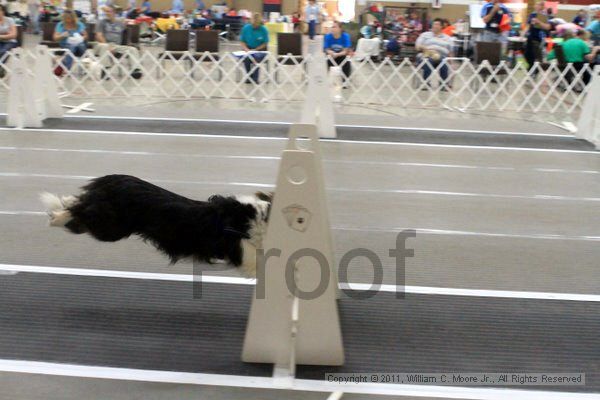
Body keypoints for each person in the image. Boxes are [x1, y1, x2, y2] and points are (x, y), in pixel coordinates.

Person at [95, 5, 140, 74]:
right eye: (106, 12)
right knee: (104, 46)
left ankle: (135, 70)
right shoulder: (101, 22)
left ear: (114, 12)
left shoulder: (120, 23)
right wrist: (108, 46)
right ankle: (105, 70)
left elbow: (130, 25)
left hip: (116, 46)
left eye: (109, 11)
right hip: (102, 45)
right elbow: (99, 35)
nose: (107, 13)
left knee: (133, 49)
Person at [415, 18, 453, 89]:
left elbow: (450, 51)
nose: (434, 26)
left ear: (442, 26)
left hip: (441, 56)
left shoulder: (447, 38)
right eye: (433, 24)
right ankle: (425, 83)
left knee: (444, 62)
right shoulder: (425, 35)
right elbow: (417, 46)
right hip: (426, 55)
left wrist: (451, 62)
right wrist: (424, 48)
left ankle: (443, 84)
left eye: (437, 24)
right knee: (428, 61)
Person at [53, 9, 87, 75]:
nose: (68, 21)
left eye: (70, 19)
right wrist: (62, 36)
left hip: (79, 44)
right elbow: (55, 38)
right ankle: (66, 69)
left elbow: (85, 35)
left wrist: (81, 38)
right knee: (71, 47)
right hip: (65, 44)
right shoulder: (60, 25)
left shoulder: (79, 24)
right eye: (66, 19)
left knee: (81, 46)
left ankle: (84, 68)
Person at [239, 12, 269, 84]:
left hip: (260, 49)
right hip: (248, 48)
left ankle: (255, 78)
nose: (255, 26)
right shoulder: (246, 28)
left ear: (260, 23)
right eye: (253, 25)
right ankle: (249, 77)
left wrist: (256, 49)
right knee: (247, 58)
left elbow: (265, 43)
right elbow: (242, 41)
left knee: (257, 58)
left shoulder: (264, 29)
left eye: (257, 25)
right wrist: (246, 49)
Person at [523, 1, 551, 71]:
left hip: (539, 38)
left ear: (542, 6)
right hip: (530, 36)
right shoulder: (532, 14)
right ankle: (531, 67)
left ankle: (533, 71)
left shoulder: (545, 16)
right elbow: (528, 25)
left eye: (538, 5)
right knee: (526, 54)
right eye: (536, 4)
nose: (536, 6)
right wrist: (523, 33)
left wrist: (539, 22)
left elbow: (548, 27)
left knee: (536, 56)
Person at [323, 21, 352, 86]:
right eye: (332, 27)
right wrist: (331, 53)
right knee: (325, 61)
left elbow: (346, 50)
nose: (332, 29)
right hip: (331, 55)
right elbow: (326, 49)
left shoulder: (345, 36)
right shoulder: (328, 36)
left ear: (340, 29)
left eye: (334, 27)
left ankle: (345, 81)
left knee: (347, 61)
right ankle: (325, 80)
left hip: (342, 55)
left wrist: (338, 54)